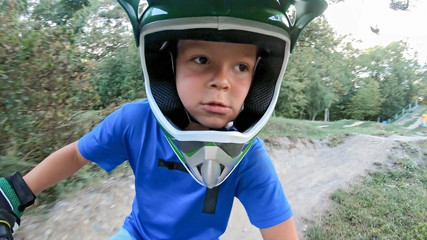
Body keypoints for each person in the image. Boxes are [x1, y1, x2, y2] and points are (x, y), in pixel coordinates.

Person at [0, 0, 327, 239]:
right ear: (166, 69)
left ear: (259, 79)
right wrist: (14, 194)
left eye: (241, 67)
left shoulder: (248, 157)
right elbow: (76, 155)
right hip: (137, 235)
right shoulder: (135, 122)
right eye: (201, 59)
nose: (222, 81)